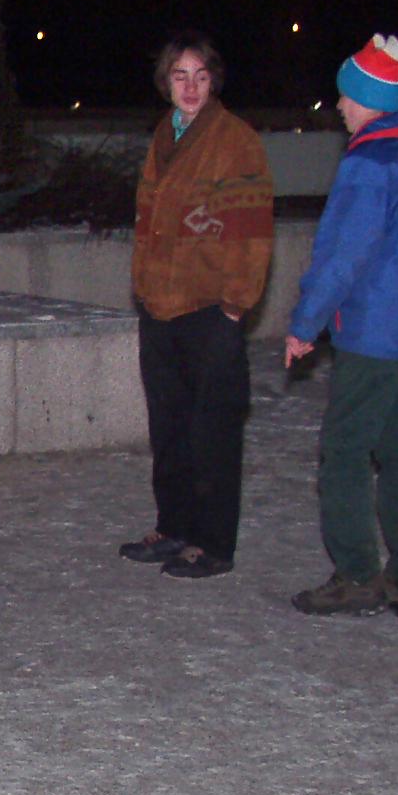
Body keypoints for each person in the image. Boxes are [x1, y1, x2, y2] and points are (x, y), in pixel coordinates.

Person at [285, 35, 398, 617]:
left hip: (373, 334)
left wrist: (305, 323)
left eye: (345, 97)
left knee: (343, 452)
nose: (339, 108)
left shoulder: (368, 165)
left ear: (367, 99)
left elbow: (342, 255)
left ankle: (357, 573)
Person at [121, 32, 274, 579]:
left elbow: (252, 232)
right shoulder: (165, 135)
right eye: (180, 75)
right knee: (170, 428)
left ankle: (212, 543)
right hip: (161, 308)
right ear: (167, 82)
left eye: (200, 76)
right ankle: (175, 525)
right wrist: (142, 284)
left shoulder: (235, 141)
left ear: (214, 81)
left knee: (212, 431)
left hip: (209, 308)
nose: (190, 86)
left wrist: (236, 305)